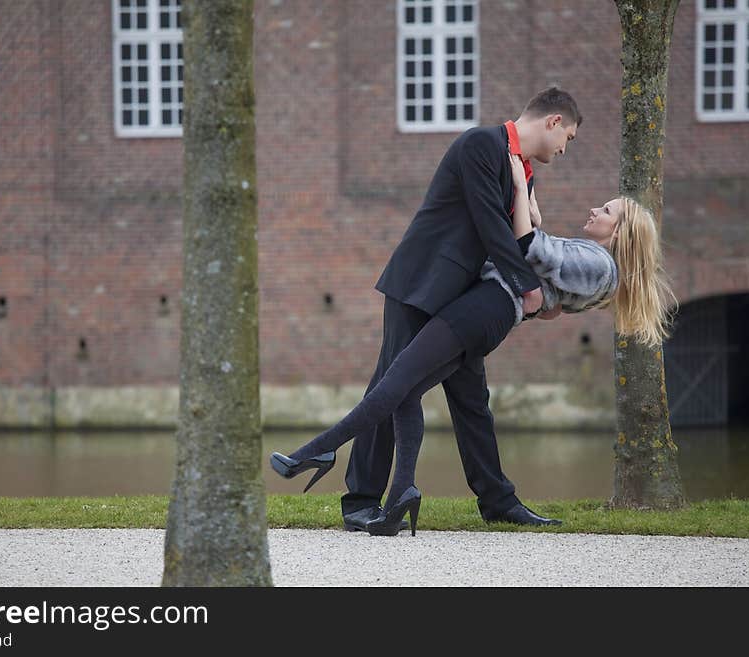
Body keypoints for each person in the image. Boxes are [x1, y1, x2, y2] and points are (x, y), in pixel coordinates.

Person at [271, 150, 675, 536]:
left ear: (620, 231)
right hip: (486, 309)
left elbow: (530, 248)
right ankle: (402, 494)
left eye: (606, 211)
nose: (595, 210)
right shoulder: (593, 262)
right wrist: (530, 208)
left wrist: (519, 186)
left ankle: (317, 450)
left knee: (397, 380)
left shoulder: (601, 265)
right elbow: (543, 274)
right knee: (408, 390)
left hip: (485, 308)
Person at [332, 87, 583, 532]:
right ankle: (361, 500)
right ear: (553, 122)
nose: (566, 149)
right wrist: (527, 288)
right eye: (569, 137)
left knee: (472, 399)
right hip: (421, 283)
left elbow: (519, 234)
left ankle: (498, 501)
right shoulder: (479, 144)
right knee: (390, 383)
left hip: (461, 298)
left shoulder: (522, 173)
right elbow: (490, 223)